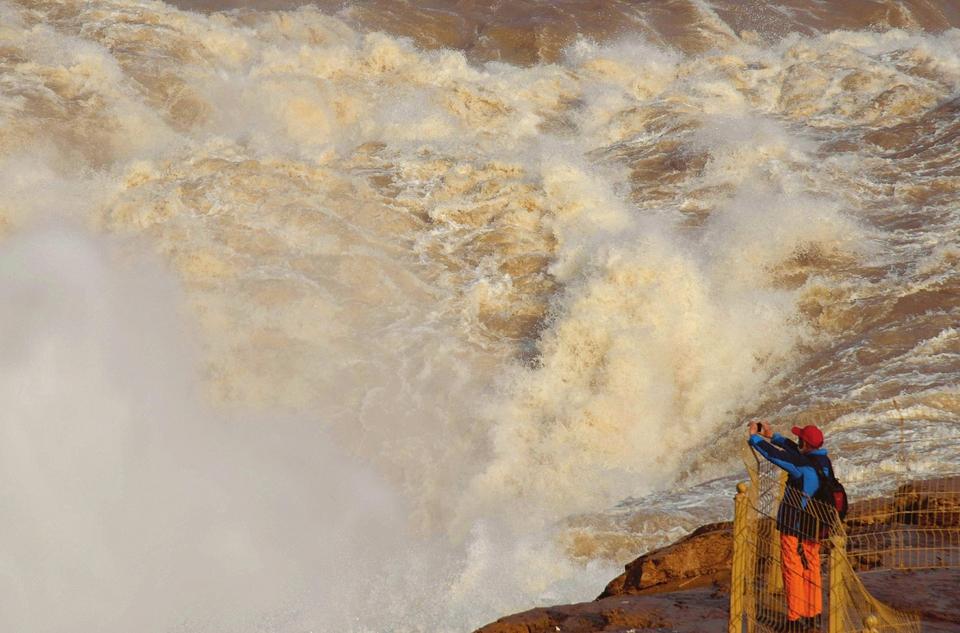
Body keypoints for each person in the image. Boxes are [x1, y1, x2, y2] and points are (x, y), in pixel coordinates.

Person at [747, 421, 836, 632]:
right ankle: (813, 614)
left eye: (799, 438)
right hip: (815, 524)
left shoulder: (802, 466)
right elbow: (796, 453)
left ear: (805, 443)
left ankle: (794, 619)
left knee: (792, 569)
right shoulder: (823, 461)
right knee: (812, 565)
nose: (797, 441)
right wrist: (774, 435)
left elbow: (774, 456)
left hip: (793, 524)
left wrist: (755, 438)